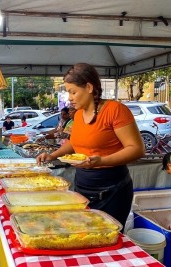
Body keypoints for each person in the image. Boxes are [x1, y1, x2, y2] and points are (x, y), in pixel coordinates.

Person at [36, 63, 144, 227]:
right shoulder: (78, 115)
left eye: (73, 92)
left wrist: (101, 161)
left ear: (88, 87)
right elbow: (74, 143)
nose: (69, 98)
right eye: (68, 92)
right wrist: (52, 155)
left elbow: (136, 149)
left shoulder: (115, 110)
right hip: (83, 184)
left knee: (107, 236)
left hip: (112, 189)